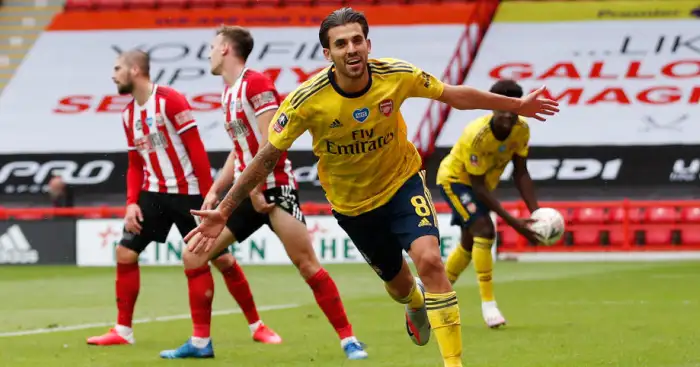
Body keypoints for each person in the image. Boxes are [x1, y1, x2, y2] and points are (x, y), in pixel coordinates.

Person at [184, 8, 559, 367]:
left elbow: (452, 94)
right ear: (327, 52)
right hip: (354, 206)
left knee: (430, 260)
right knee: (399, 288)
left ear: (368, 44)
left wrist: (516, 104)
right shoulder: (305, 100)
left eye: (357, 40)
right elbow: (266, 155)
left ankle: (453, 362)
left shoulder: (396, 74)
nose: (352, 49)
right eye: (342, 43)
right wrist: (225, 207)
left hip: (402, 183)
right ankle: (414, 303)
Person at [159, 25, 367, 361]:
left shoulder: (256, 84)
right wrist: (215, 190)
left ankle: (349, 340)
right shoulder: (229, 93)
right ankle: (200, 343)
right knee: (194, 254)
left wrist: (256, 188)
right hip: (246, 195)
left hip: (274, 191)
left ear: (226, 48)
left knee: (307, 265)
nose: (209, 53)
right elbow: (239, 150)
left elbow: (272, 140)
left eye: (213, 46)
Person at [87, 50, 282, 347]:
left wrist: (208, 197)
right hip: (153, 194)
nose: (113, 75)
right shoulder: (128, 114)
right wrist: (131, 202)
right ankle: (123, 331)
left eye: (118, 68)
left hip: (188, 194)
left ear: (136, 69)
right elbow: (135, 163)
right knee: (125, 252)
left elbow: (196, 150)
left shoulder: (170, 99)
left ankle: (257, 325)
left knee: (222, 259)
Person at [438, 80, 541, 329]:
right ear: (491, 107)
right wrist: (514, 222)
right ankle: (488, 305)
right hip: (456, 182)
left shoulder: (521, 130)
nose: (506, 113)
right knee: (484, 230)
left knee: (468, 243)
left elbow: (521, 173)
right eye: (500, 106)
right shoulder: (477, 135)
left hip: (481, 186)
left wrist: (537, 213)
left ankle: (435, 296)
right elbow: (478, 186)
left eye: (512, 107)